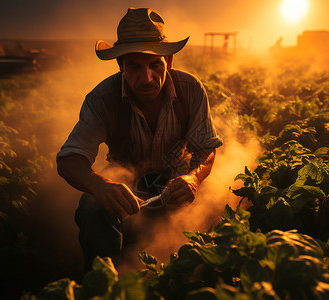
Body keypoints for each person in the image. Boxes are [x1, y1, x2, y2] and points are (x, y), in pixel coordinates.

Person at [56, 7, 223, 271]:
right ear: (120, 64)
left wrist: (194, 178)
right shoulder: (102, 99)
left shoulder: (191, 89)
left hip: (176, 182)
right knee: (92, 205)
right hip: (127, 187)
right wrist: (100, 185)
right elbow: (69, 159)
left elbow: (207, 148)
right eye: (134, 67)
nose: (147, 78)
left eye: (155, 65)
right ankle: (105, 282)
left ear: (168, 61)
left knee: (215, 211)